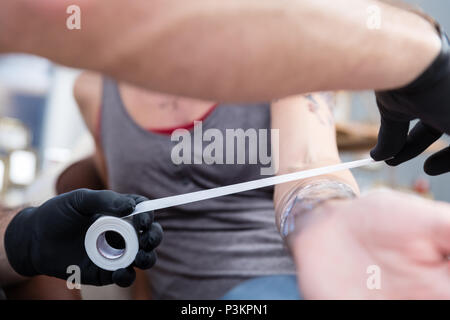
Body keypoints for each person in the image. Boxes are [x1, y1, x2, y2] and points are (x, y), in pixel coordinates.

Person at [1, 0, 450, 174]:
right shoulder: (90, 90)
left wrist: (421, 58)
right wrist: (421, 59)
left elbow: (310, 164)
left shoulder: (280, 73)